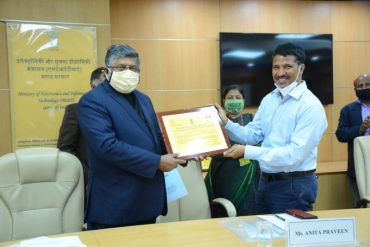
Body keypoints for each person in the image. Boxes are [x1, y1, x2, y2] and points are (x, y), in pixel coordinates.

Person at [77, 44, 186, 230]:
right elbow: (107, 146)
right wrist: (156, 162)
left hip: (147, 202)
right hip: (115, 205)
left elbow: (156, 139)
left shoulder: (144, 99)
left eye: (133, 68)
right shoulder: (92, 101)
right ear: (107, 71)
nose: (128, 72)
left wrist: (186, 151)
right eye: (121, 67)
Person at [215, 43, 328, 214]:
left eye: (287, 67)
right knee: (265, 236)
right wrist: (226, 123)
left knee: (287, 239)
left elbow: (294, 155)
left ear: (301, 69)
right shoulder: (270, 99)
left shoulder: (310, 106)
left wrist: (247, 152)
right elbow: (253, 134)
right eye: (276, 67)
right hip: (265, 182)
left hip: (293, 185)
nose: (280, 73)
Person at [204, 84, 259, 216]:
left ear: (244, 100)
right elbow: (209, 145)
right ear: (224, 101)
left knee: (247, 212)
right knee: (222, 209)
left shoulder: (252, 120)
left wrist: (238, 150)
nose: (234, 100)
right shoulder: (215, 121)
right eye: (230, 98)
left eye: (237, 97)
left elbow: (260, 143)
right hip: (222, 172)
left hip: (248, 177)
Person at [57, 67, 105, 190]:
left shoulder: (119, 112)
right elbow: (65, 149)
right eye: (102, 85)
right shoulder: (75, 111)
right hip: (89, 184)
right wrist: (88, 176)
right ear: (92, 85)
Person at [335, 73, 370, 207]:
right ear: (355, 90)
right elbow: (341, 134)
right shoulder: (348, 110)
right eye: (360, 86)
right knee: (360, 205)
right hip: (358, 165)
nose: (364, 88)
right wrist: (360, 128)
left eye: (367, 85)